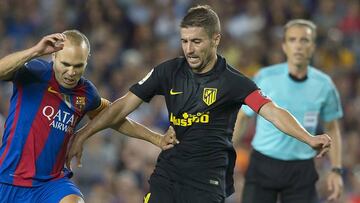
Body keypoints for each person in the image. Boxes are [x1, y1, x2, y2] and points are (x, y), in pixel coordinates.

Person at [67, 6, 331, 203]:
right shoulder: (167, 72)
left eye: (196, 41)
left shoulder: (234, 82)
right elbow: (121, 107)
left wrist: (308, 138)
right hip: (168, 173)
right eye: (184, 41)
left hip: (207, 182)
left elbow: (272, 112)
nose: (189, 49)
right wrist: (83, 135)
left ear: (215, 39)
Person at [0, 30, 177, 203]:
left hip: (50, 183)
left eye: (78, 66)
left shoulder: (86, 93)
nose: (71, 73)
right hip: (7, 178)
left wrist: (156, 138)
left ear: (86, 62)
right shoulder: (34, 72)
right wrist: (36, 51)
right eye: (65, 64)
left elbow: (114, 118)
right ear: (54, 57)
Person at [234, 19, 343, 203]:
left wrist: (336, 170)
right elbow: (243, 116)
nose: (298, 46)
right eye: (292, 40)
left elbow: (332, 127)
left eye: (304, 40)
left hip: (301, 169)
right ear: (284, 46)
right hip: (263, 164)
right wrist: (226, 151)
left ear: (313, 46)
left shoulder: (324, 85)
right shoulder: (265, 77)